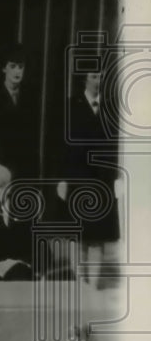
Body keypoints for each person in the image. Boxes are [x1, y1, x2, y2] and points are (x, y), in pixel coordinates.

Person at [57, 69, 120, 286]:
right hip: (77, 178)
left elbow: (118, 145)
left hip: (103, 180)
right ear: (84, 78)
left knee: (98, 237)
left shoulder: (112, 107)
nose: (98, 81)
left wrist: (118, 178)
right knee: (78, 236)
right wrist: (63, 179)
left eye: (101, 76)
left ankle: (93, 286)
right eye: (93, 76)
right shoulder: (70, 105)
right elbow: (61, 146)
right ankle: (79, 282)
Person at [0, 44, 39, 180]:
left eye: (21, 67)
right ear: (4, 68)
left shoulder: (30, 98)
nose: (17, 71)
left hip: (22, 169)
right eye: (13, 66)